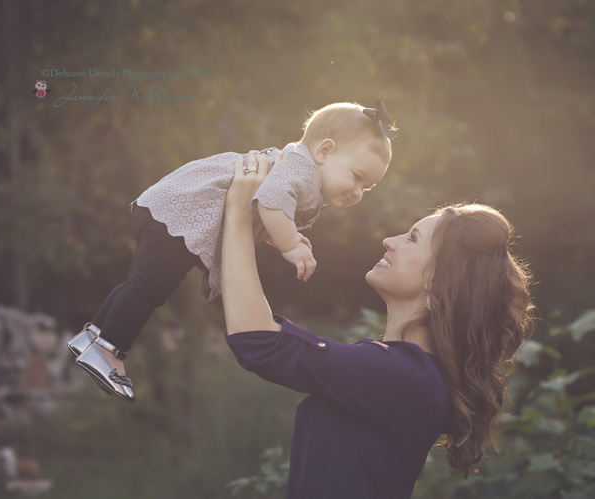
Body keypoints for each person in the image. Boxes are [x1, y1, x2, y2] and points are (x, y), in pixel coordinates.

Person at [221, 153, 535, 499]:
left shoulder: (404, 375)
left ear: (439, 281)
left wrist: (236, 215)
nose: (391, 240)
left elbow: (258, 341)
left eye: (412, 238)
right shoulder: (405, 373)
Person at [67, 100, 396, 402]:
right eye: (356, 177)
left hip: (172, 208)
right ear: (324, 150)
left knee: (140, 283)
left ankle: (93, 336)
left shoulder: (299, 169)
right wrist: (291, 244)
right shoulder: (302, 170)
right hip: (183, 214)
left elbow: (262, 207)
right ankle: (110, 351)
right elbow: (271, 200)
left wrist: (278, 234)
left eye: (366, 187)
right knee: (148, 288)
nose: (357, 192)